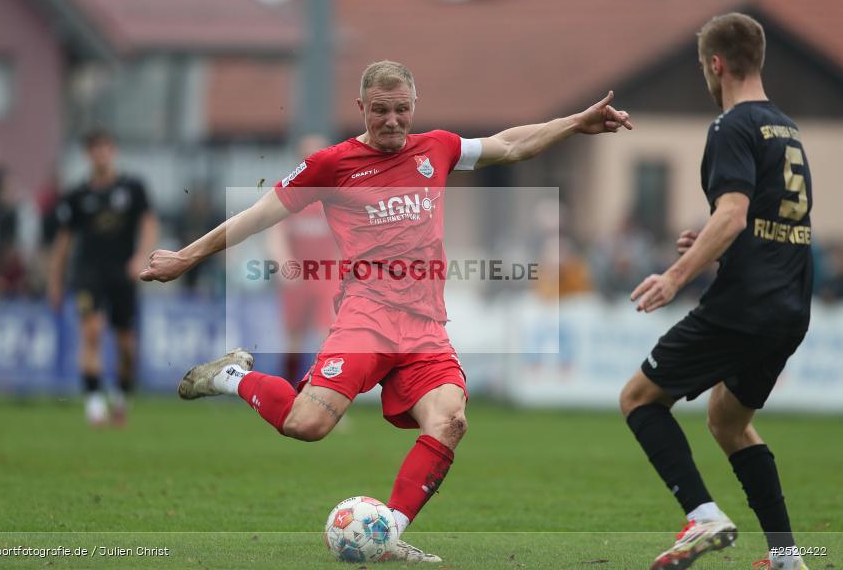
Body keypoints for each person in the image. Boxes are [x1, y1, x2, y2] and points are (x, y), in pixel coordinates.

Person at [141, 60, 631, 562]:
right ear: (361, 108)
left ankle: (385, 534)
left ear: (413, 106)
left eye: (401, 110)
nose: (392, 120)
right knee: (305, 425)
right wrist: (187, 255)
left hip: (424, 329)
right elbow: (256, 216)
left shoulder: (436, 147)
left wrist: (573, 123)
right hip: (365, 319)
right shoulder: (330, 165)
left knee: (450, 420)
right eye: (380, 111)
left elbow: (508, 144)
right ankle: (228, 376)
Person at [618, 13, 812, 570]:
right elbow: (767, 223)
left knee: (638, 399)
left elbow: (734, 212)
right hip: (789, 306)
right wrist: (715, 239)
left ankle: (703, 517)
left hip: (744, 304)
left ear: (716, 64)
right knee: (727, 420)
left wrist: (676, 276)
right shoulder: (787, 128)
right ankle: (787, 557)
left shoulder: (732, 127)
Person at [49, 129, 158, 427]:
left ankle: (121, 397)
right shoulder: (76, 196)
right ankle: (95, 404)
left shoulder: (133, 188)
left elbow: (149, 225)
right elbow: (63, 244)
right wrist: (55, 283)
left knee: (125, 346)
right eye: (95, 149)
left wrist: (141, 257)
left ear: (113, 151)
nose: (101, 154)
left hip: (123, 274)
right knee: (92, 332)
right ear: (88, 155)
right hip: (88, 274)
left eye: (105, 148)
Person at [265, 134, 340, 385]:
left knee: (327, 337)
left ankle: (323, 397)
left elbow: (350, 238)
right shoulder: (289, 193)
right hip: (296, 278)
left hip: (326, 278)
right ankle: (289, 394)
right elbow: (275, 235)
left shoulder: (336, 196)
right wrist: (284, 265)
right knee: (293, 338)